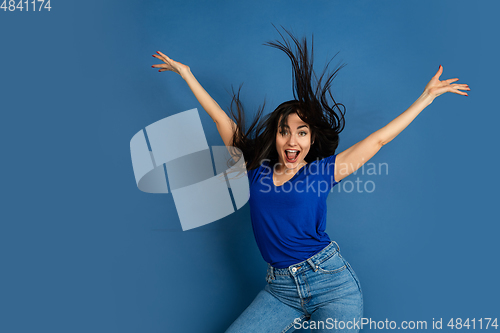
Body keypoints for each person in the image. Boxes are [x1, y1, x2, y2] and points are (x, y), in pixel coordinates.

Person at [151, 27, 470, 333]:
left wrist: (426, 98)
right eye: (284, 131)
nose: (292, 141)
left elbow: (378, 141)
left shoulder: (321, 173)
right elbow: (222, 119)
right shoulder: (254, 169)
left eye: (301, 132)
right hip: (280, 291)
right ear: (275, 136)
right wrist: (187, 75)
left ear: (311, 139)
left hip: (331, 284)